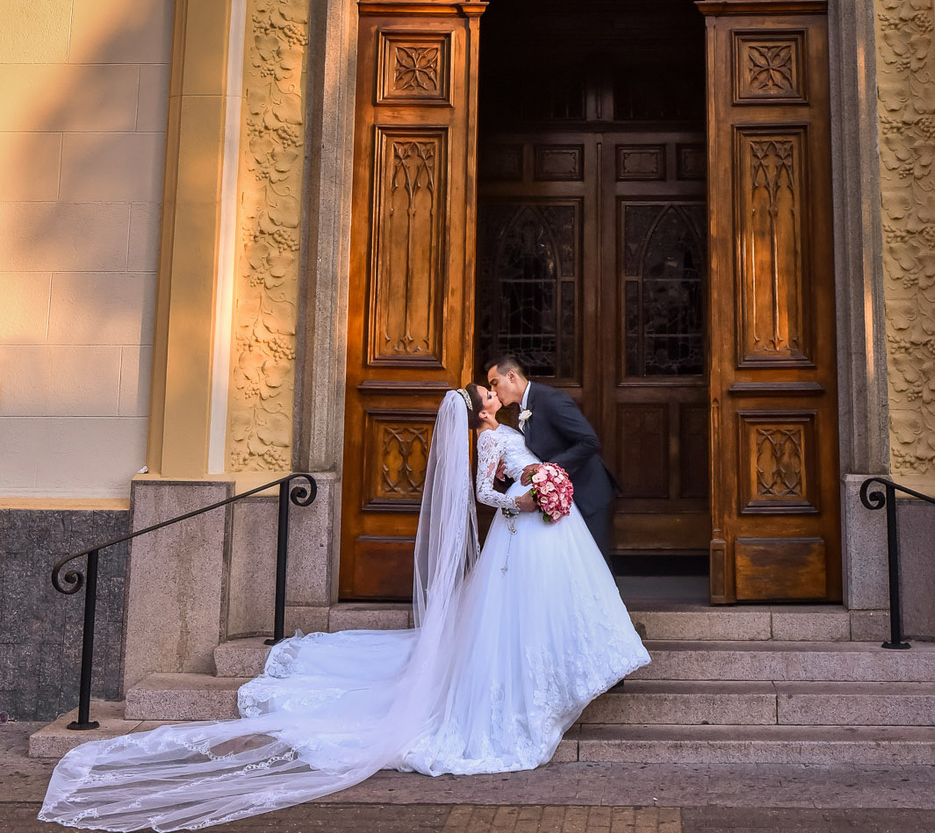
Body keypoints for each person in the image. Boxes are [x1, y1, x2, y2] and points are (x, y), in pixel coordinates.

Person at [39, 385, 648, 830]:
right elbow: (486, 493)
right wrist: (526, 498)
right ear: (478, 408)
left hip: (535, 539)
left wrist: (544, 480)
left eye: (493, 387)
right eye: (487, 391)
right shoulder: (489, 438)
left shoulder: (507, 430)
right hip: (520, 531)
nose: (494, 392)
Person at [487, 355, 617, 562]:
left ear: (511, 376)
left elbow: (589, 441)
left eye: (495, 383)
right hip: (559, 498)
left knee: (595, 565)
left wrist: (546, 469)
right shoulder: (520, 410)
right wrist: (508, 471)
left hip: (587, 491)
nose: (493, 391)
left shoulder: (550, 400)